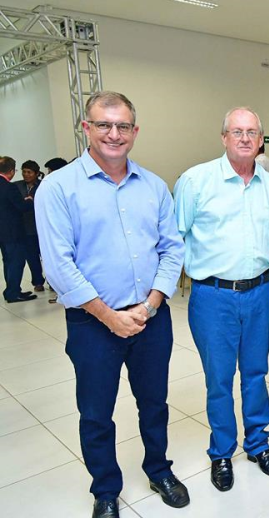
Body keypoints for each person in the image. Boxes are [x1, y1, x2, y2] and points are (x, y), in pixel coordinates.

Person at [35, 91, 188, 518]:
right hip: (92, 324)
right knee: (97, 412)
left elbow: (171, 250)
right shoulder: (58, 187)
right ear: (86, 128)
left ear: (135, 132)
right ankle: (105, 489)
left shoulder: (153, 186)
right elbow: (58, 265)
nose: (114, 134)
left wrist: (151, 306)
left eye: (123, 126)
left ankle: (159, 470)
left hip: (150, 319)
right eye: (104, 124)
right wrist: (110, 317)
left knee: (154, 404)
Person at [174, 107, 269, 491]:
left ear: (260, 140)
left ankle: (257, 444)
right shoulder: (195, 181)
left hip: (260, 294)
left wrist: (253, 270)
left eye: (251, 132)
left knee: (256, 372)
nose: (244, 138)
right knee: (219, 379)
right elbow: (176, 237)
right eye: (236, 131)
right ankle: (222, 451)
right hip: (213, 297)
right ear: (223, 137)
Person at [0, 156, 36, 303]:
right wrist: (29, 201)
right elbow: (20, 207)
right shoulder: (10, 187)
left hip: (2, 232)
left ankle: (10, 290)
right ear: (11, 171)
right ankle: (14, 292)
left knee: (7, 261)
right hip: (13, 231)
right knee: (16, 262)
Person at [15, 160, 46, 291]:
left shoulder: (43, 185)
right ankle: (38, 282)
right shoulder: (16, 186)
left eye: (29, 172)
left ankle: (53, 282)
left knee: (47, 257)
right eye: (24, 172)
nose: (26, 175)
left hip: (42, 227)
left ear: (36, 173)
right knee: (32, 257)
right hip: (26, 228)